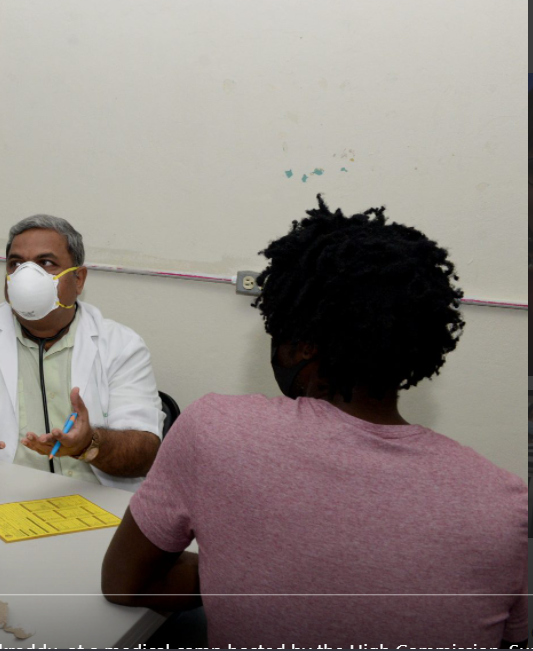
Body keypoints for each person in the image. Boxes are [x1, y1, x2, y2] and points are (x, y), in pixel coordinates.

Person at [101, 196, 528, 648]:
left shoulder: (217, 431)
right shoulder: (504, 502)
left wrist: (236, 571)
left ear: (301, 344)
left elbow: (125, 582)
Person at [0, 215, 163, 489]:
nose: (26, 276)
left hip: (93, 504)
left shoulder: (121, 345)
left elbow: (145, 453)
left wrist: (89, 443)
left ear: (78, 280)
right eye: (16, 264)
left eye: (45, 263)